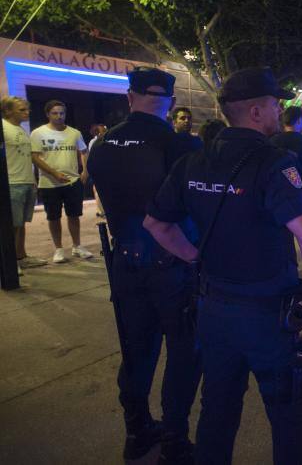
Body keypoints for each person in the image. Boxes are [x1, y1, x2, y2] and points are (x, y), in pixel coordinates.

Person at [144, 67, 302, 465]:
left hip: (214, 309)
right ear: (257, 111)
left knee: (217, 409)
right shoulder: (275, 163)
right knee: (288, 411)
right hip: (267, 313)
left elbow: (156, 224)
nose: (280, 110)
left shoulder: (193, 162)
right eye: (275, 103)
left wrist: (195, 257)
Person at [87, 67, 202, 463]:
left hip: (125, 258)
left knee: (136, 350)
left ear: (130, 96)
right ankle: (173, 437)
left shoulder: (101, 145)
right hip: (171, 261)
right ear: (169, 102)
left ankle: (137, 430)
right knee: (184, 350)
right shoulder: (181, 145)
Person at [30, 100, 93, 263]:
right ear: (48, 114)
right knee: (53, 217)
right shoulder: (38, 133)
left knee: (74, 215)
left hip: (72, 181)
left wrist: (85, 170)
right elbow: (35, 157)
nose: (59, 116)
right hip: (49, 183)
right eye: (55, 113)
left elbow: (84, 152)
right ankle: (58, 249)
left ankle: (77, 246)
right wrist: (54, 173)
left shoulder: (74, 133)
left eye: (62, 113)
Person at [1, 96, 46, 274]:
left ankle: (21, 256)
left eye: (27, 109)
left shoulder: (20, 129)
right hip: (12, 183)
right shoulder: (3, 128)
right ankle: (9, 261)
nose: (27, 112)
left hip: (26, 181)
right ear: (8, 111)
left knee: (21, 224)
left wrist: (32, 181)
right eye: (21, 110)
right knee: (11, 225)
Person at [87, 123, 108, 218]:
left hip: (106, 169)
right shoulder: (94, 142)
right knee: (98, 190)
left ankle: (104, 210)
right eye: (103, 130)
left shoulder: (107, 140)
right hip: (98, 169)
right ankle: (102, 211)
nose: (105, 131)